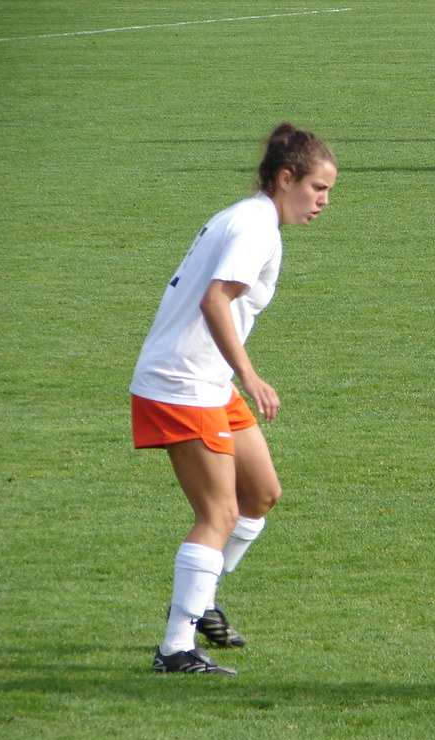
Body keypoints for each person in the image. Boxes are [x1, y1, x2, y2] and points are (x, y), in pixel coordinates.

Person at [130, 124, 337, 674]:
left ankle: (200, 603)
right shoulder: (255, 228)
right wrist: (251, 375)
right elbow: (215, 303)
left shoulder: (249, 217)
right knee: (218, 512)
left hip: (208, 380)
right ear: (285, 177)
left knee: (261, 494)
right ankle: (175, 648)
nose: (324, 202)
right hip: (184, 381)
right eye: (318, 188)